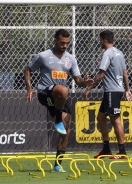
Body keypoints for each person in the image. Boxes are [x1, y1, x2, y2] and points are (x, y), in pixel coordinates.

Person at [24, 29, 94, 172]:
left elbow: (78, 79)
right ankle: (56, 121)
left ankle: (57, 165)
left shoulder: (71, 59)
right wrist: (29, 88)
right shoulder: (43, 56)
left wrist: (84, 83)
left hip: (59, 99)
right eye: (62, 43)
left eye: (67, 43)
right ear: (55, 40)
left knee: (66, 131)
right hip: (45, 93)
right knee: (63, 89)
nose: (64, 46)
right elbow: (27, 69)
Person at [83, 30, 132, 159]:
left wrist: (89, 87)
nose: (99, 42)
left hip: (112, 91)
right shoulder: (120, 53)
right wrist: (127, 90)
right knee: (100, 118)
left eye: (100, 40)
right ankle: (106, 149)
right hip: (115, 90)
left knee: (115, 120)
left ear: (104, 39)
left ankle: (122, 152)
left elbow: (101, 74)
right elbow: (125, 73)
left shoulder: (107, 54)